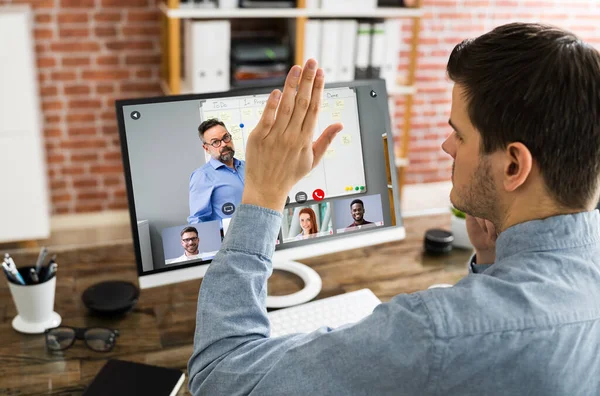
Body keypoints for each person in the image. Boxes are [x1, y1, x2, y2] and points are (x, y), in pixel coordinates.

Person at [188, 23, 600, 395]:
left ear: (513, 166)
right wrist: (491, 260)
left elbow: (220, 376)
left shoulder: (435, 333)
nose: (447, 146)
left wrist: (262, 193)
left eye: (459, 134)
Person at [187, 119, 245, 224]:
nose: (223, 144)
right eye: (215, 142)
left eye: (226, 137)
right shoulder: (202, 176)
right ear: (206, 148)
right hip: (228, 239)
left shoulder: (248, 167)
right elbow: (197, 221)